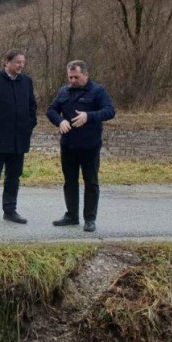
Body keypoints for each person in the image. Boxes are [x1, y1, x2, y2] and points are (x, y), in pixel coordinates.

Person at [46, 60, 115, 233]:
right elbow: (51, 110)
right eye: (70, 77)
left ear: (85, 74)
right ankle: (71, 215)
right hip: (68, 145)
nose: (73, 81)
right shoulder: (63, 91)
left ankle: (90, 219)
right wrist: (60, 121)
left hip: (89, 145)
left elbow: (110, 111)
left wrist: (89, 116)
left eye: (76, 77)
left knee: (90, 182)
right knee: (69, 182)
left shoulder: (97, 91)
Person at [0, 50, 37, 225]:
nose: (21, 65)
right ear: (7, 62)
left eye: (23, 62)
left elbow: (32, 105)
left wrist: (29, 124)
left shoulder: (26, 82)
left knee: (14, 176)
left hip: (19, 139)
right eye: (17, 62)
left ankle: (10, 210)